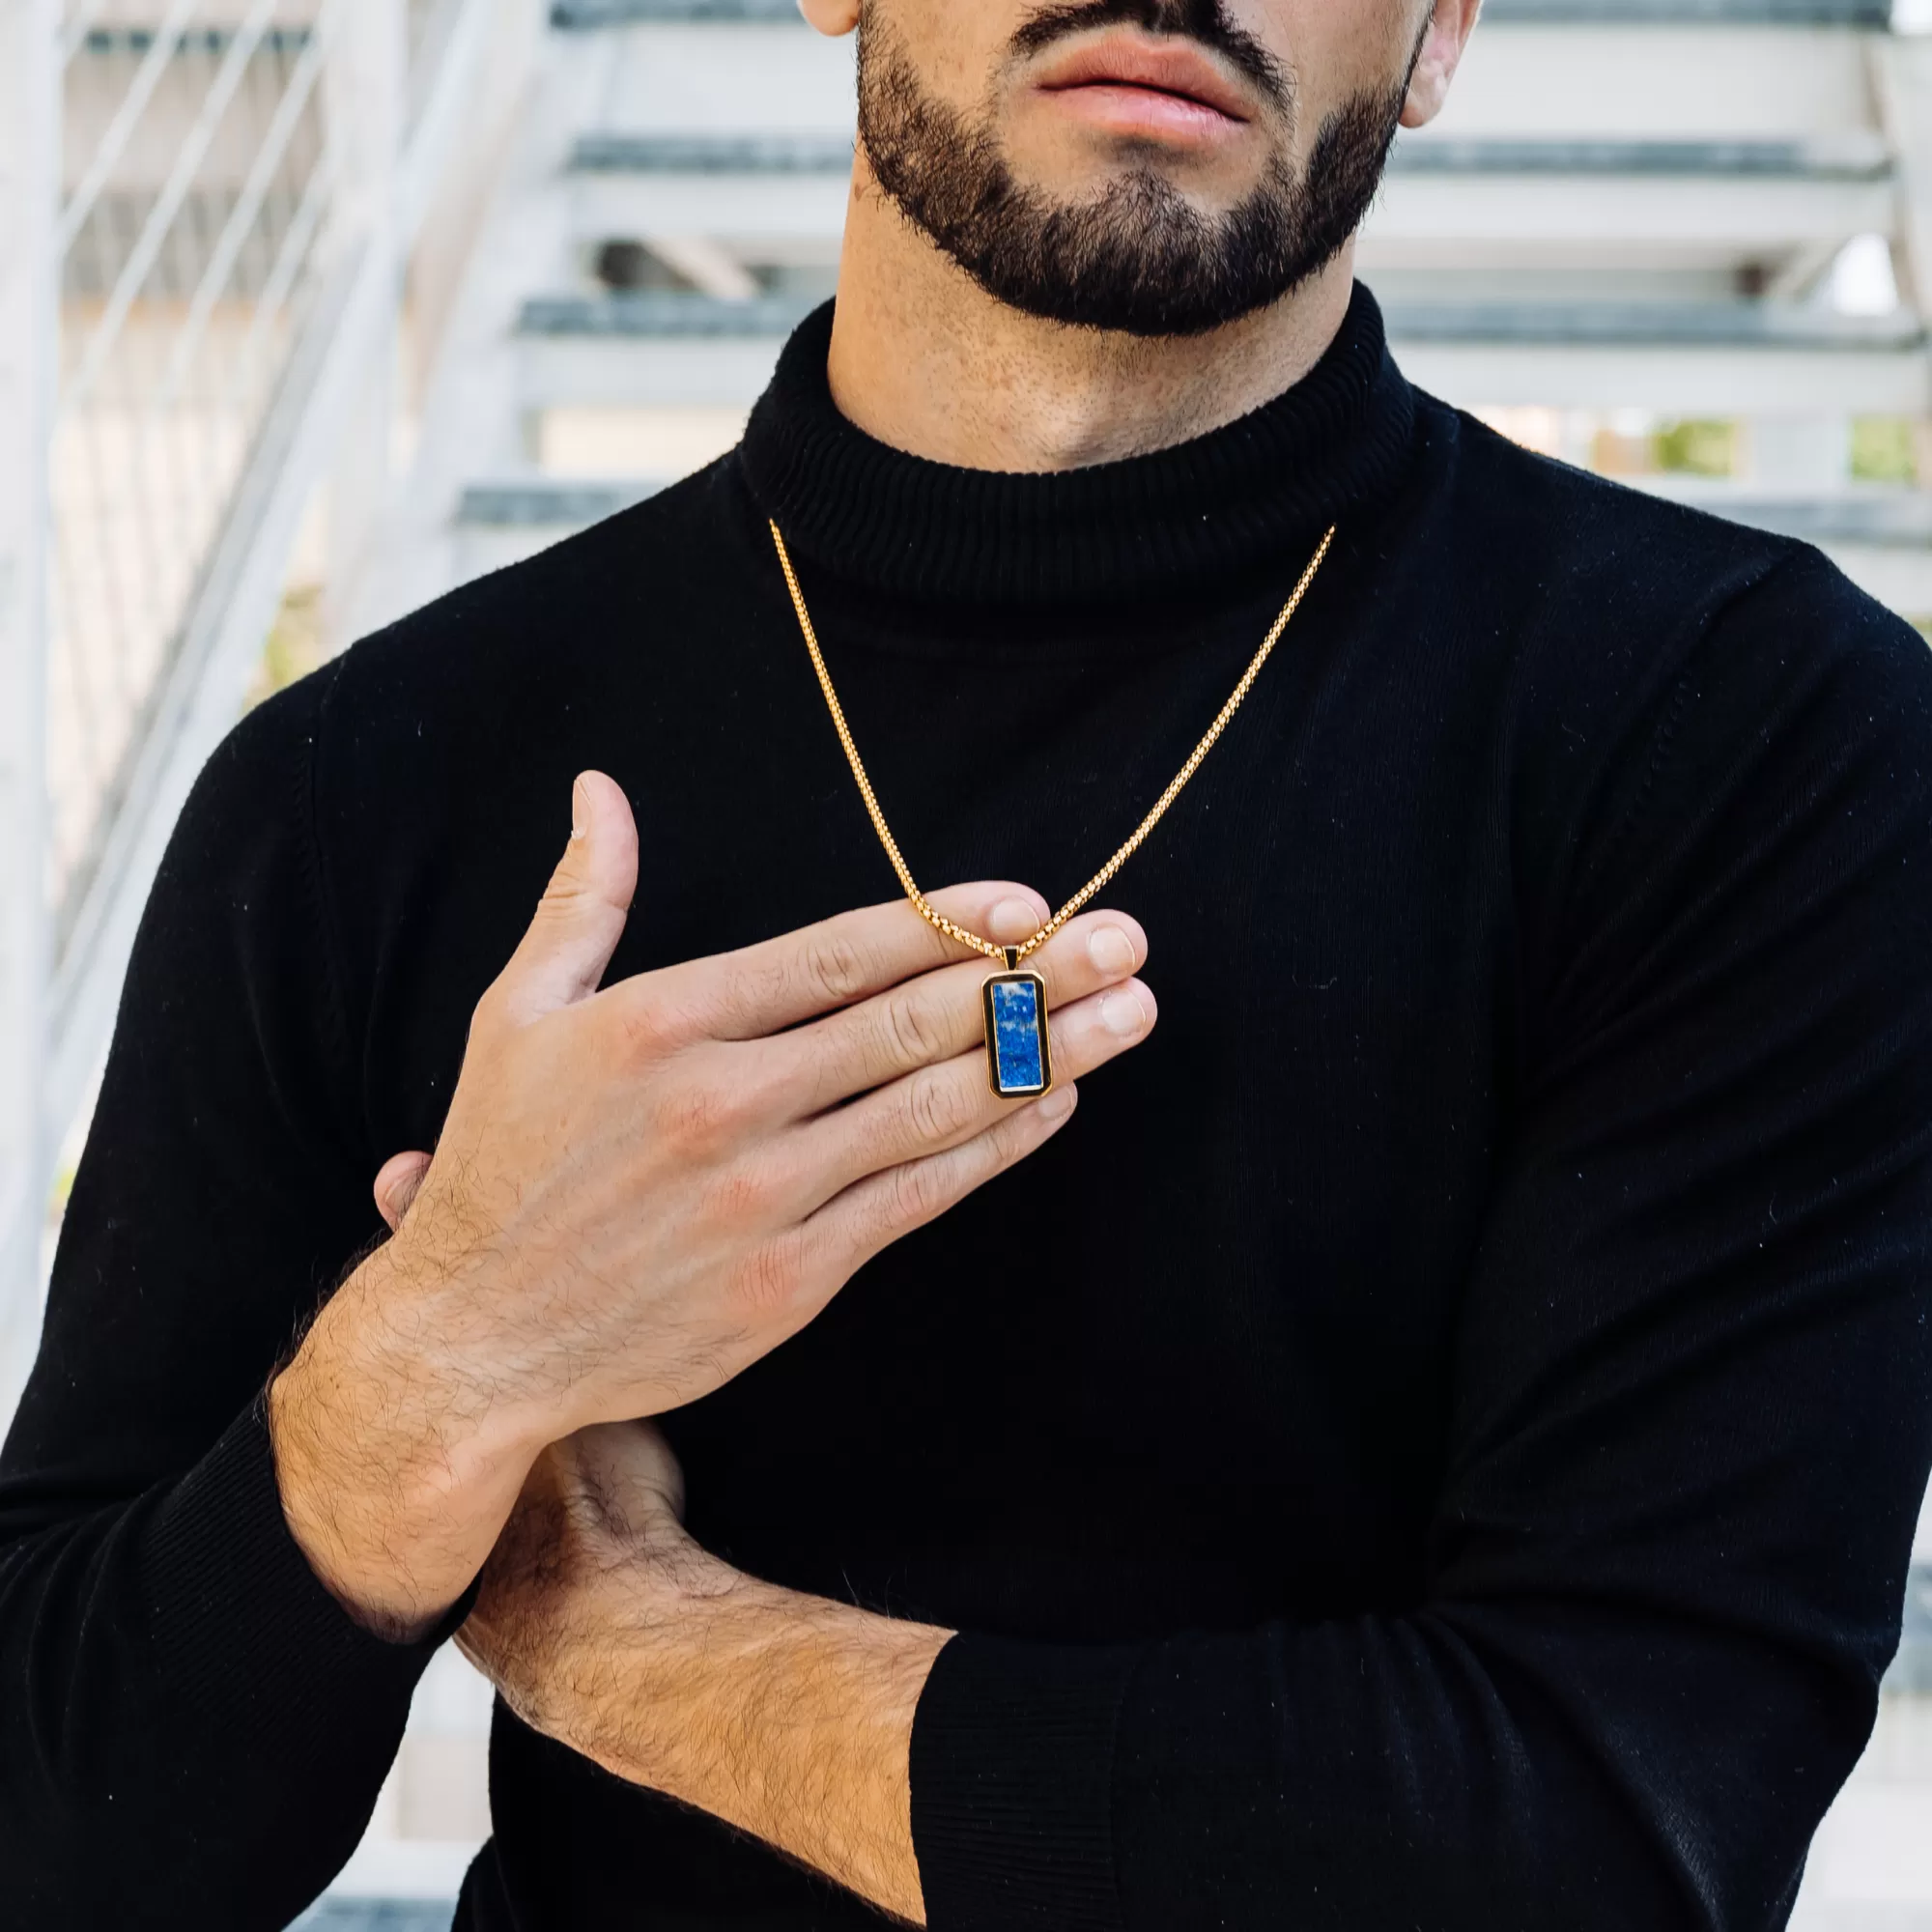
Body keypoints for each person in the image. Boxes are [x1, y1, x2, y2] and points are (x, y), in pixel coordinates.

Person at [5, 0, 1931, 1924]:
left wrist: (633, 1644)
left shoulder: (1739, 735)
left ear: (1438, 35)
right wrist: (440, 1362)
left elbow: (1596, 1843)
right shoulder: (371, 782)